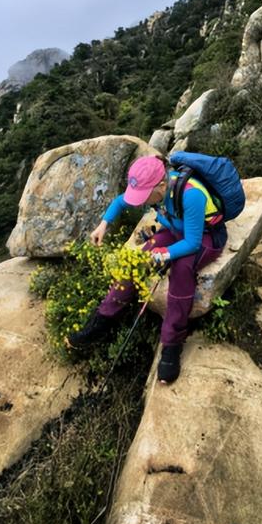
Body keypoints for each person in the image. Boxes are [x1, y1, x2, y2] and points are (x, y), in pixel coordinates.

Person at [66, 154, 227, 383]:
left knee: (182, 269)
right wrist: (103, 225)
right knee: (137, 262)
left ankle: (171, 346)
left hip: (205, 236)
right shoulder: (156, 191)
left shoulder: (191, 195)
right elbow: (120, 202)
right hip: (175, 230)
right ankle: (100, 323)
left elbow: (191, 242)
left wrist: (165, 254)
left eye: (144, 196)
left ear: (161, 185)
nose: (141, 201)